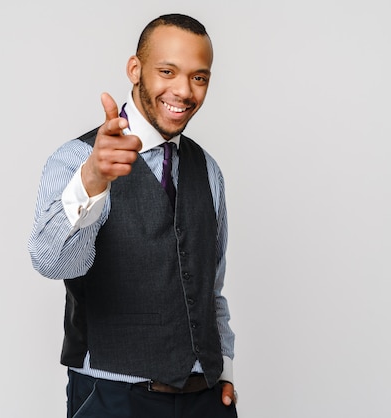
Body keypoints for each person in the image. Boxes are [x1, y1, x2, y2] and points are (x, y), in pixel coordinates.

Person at [28, 13, 237, 418]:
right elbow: (50, 261)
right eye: (167, 71)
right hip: (113, 398)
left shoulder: (208, 170)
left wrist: (225, 370)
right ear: (135, 69)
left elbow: (211, 288)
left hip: (205, 398)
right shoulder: (75, 159)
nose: (183, 90)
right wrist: (91, 181)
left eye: (199, 77)